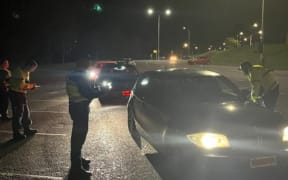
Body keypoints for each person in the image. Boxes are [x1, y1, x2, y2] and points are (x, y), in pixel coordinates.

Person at [66, 59, 104, 177]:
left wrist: (92, 86)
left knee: (78, 135)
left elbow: (85, 90)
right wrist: (102, 91)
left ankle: (78, 159)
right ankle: (76, 168)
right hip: (80, 108)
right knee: (79, 136)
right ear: (85, 67)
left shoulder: (73, 74)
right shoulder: (81, 76)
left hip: (75, 106)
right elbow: (88, 93)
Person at [9, 60, 39, 140]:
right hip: (16, 94)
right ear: (29, 66)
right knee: (18, 114)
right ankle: (16, 133)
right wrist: (31, 86)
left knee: (26, 112)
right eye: (33, 68)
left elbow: (25, 84)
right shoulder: (18, 72)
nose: (34, 70)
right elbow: (21, 85)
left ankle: (27, 129)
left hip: (21, 94)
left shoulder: (26, 72)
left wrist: (30, 86)